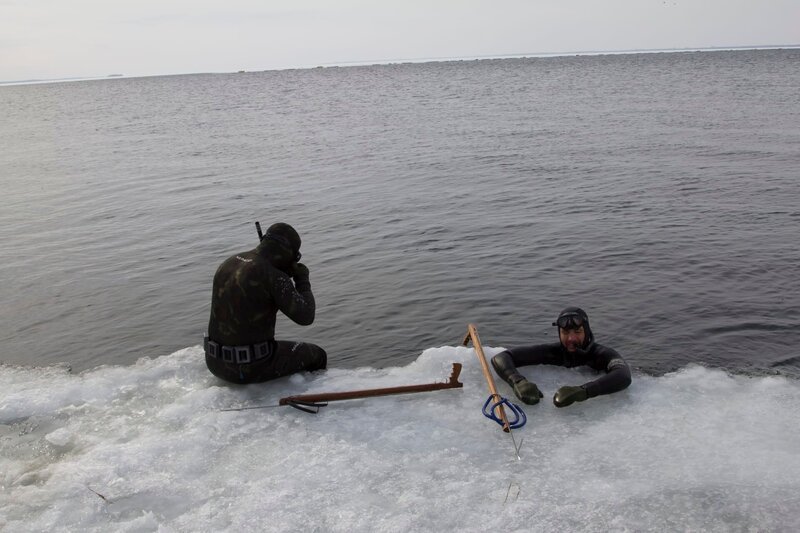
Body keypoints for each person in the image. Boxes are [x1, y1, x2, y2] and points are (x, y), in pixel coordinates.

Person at [204, 222, 327, 384]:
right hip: (251, 368)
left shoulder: (228, 263)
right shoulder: (273, 277)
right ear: (288, 253)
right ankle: (313, 390)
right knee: (318, 355)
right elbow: (306, 316)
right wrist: (302, 280)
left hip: (214, 363)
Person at [491, 307, 631, 407]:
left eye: (577, 332)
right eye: (565, 332)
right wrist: (518, 381)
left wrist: (583, 391)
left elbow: (623, 375)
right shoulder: (553, 352)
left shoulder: (600, 354)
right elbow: (502, 358)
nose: (571, 338)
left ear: (587, 332)